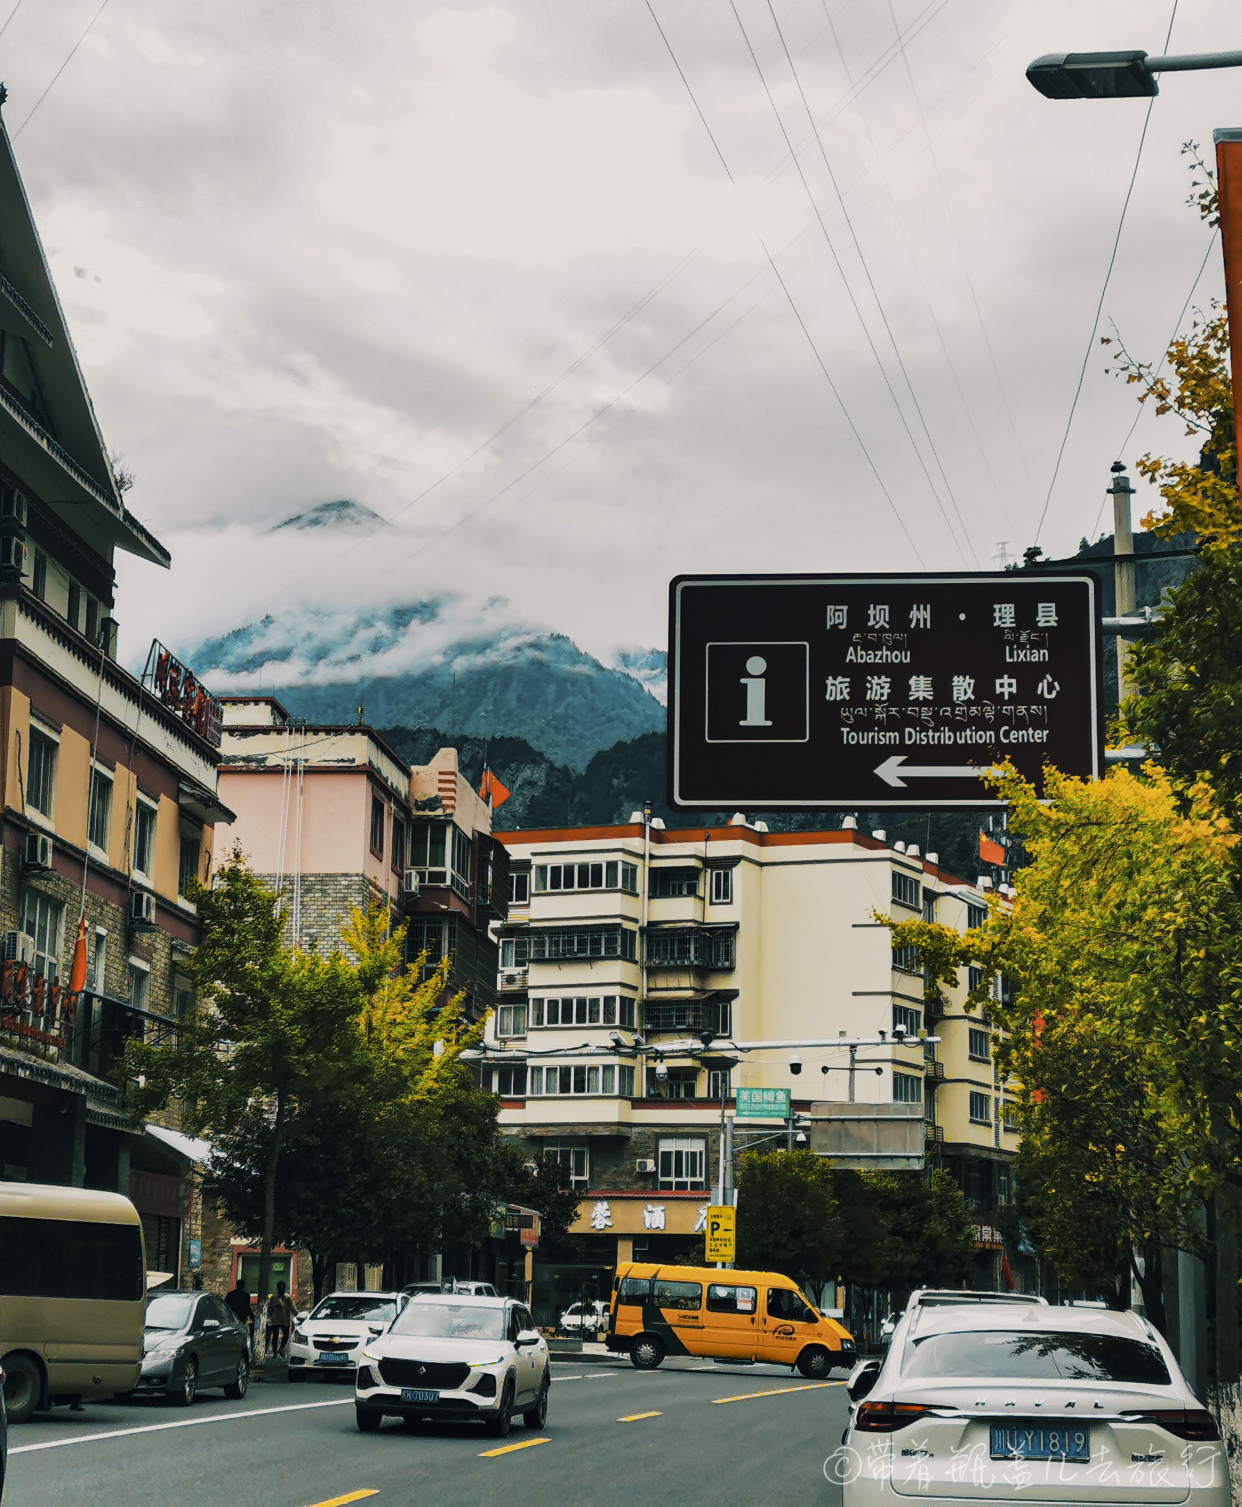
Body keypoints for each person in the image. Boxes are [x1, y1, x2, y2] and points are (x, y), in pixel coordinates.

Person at [266, 1281, 294, 1356]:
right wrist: (268, 1317)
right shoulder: (273, 1297)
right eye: (280, 1288)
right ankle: (275, 1352)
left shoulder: (287, 1298)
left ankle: (281, 1349)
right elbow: (269, 1308)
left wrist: (298, 1315)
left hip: (284, 1319)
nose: (281, 1289)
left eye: (282, 1288)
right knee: (275, 1336)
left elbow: (293, 1308)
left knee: (286, 1335)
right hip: (275, 1319)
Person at [225, 1277, 254, 1341]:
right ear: (243, 1286)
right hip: (241, 1316)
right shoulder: (246, 1295)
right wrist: (252, 1316)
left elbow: (226, 1306)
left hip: (232, 1316)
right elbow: (247, 1307)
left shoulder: (230, 1295)